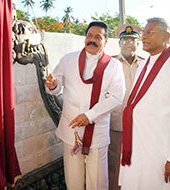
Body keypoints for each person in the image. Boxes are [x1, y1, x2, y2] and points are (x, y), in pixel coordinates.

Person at [45, 21, 125, 190]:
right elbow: (56, 85)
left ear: (106, 40)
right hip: (71, 129)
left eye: (98, 37)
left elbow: (117, 97)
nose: (92, 40)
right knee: (73, 180)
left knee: (97, 181)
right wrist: (52, 85)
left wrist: (89, 116)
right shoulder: (69, 59)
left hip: (97, 131)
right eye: (89, 35)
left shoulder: (114, 66)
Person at [118, 17, 170, 190]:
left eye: (150, 32)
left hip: (160, 151)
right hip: (137, 146)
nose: (144, 36)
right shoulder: (144, 64)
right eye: (144, 33)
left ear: (166, 36)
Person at [108, 25, 144, 190]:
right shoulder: (111, 63)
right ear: (120, 43)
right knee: (115, 162)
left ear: (138, 44)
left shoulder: (145, 64)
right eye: (125, 40)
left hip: (140, 124)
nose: (129, 44)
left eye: (133, 40)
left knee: (138, 162)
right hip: (117, 122)